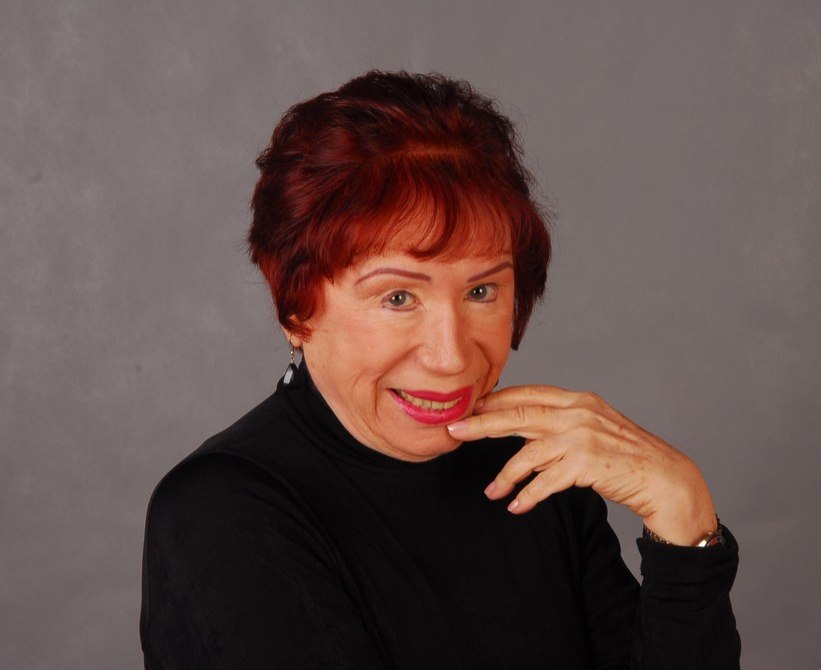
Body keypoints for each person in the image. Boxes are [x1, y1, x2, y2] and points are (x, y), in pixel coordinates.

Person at [140, 71, 740, 669]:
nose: (451, 357)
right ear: (296, 309)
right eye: (398, 297)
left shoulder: (538, 472)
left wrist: (683, 515)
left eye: (481, 291)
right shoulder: (218, 510)